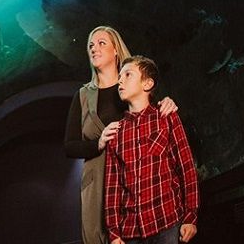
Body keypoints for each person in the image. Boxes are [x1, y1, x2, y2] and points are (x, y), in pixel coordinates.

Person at [64, 26, 177, 244]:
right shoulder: (83, 95)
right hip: (97, 179)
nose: (94, 49)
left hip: (133, 180)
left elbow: (154, 116)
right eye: (90, 45)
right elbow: (69, 146)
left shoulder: (133, 83)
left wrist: (168, 103)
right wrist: (98, 143)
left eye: (101, 43)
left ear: (116, 50)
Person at [104, 56, 199, 244]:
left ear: (147, 83)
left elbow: (186, 167)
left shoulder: (166, 118)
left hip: (167, 223)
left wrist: (191, 216)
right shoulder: (116, 132)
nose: (120, 80)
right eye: (120, 76)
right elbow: (112, 187)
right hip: (131, 232)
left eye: (128, 75)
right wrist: (113, 233)